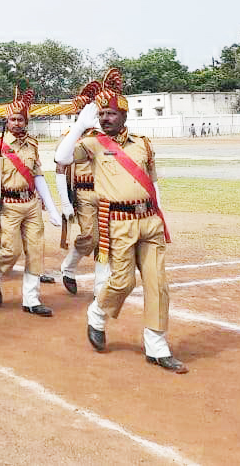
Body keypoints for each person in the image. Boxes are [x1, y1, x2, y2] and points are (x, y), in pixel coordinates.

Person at [55, 67, 187, 374]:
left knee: (157, 284)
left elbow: (152, 184)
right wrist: (79, 125)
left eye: (111, 113)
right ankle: (98, 314)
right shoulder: (93, 144)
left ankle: (156, 345)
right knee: (123, 281)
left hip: (148, 222)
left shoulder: (143, 144)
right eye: (101, 114)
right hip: (118, 223)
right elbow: (61, 159)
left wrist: (161, 214)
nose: (105, 119)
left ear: (124, 115)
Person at [0, 87, 63, 317]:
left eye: (20, 119)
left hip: (31, 204)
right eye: (12, 119)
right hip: (8, 205)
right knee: (11, 250)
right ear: (6, 121)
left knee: (36, 251)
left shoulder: (33, 145)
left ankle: (31, 299)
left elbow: (38, 177)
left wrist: (52, 208)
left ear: (26, 121)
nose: (16, 123)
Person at [58, 81, 107, 296]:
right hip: (84, 192)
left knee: (107, 240)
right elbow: (60, 168)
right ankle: (68, 267)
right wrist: (65, 202)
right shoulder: (72, 136)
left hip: (107, 192)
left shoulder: (107, 135)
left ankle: (100, 288)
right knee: (91, 236)